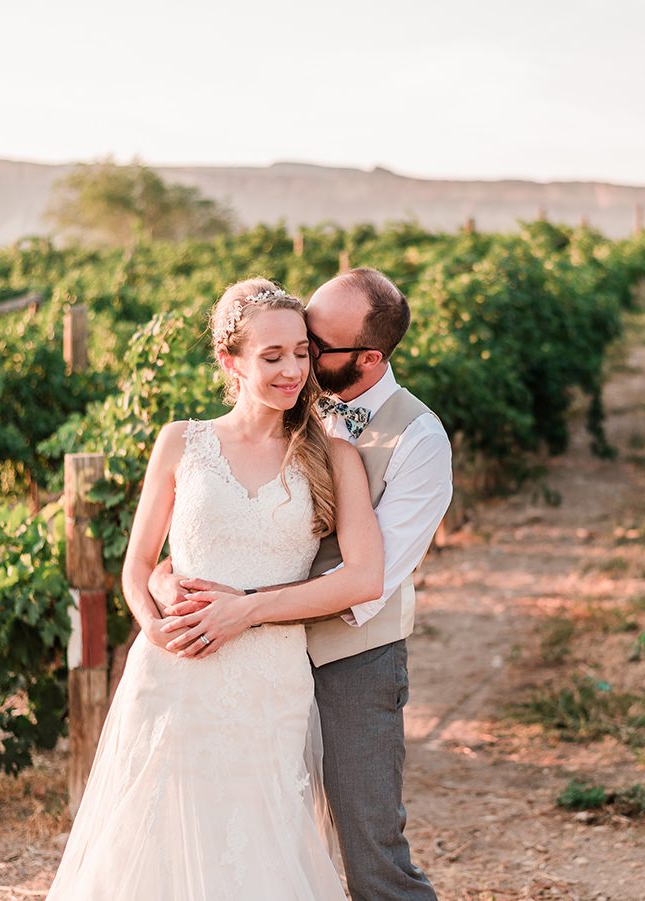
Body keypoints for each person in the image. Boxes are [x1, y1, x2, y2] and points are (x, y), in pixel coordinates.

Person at [47, 278, 384, 900]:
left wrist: (245, 614)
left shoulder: (332, 454)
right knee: (157, 841)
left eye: (302, 353)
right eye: (272, 355)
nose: (293, 370)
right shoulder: (182, 441)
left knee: (257, 846)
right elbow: (138, 565)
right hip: (175, 674)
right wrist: (156, 626)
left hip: (268, 681)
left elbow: (365, 577)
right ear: (230, 361)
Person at [153, 268, 451, 900]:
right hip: (246, 659)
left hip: (352, 662)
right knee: (265, 839)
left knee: (371, 855)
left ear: (366, 358)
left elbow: (364, 585)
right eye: (293, 339)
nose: (300, 355)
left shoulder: (418, 440)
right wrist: (168, 573)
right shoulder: (286, 393)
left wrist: (247, 608)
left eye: (314, 345)